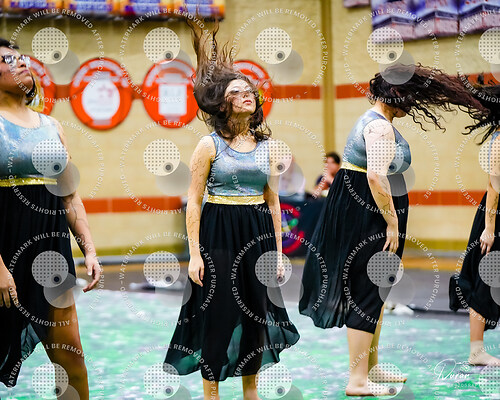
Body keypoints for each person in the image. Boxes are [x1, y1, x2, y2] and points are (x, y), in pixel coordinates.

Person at [298, 65, 486, 396]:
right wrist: (392, 223)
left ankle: (370, 367)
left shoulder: (377, 122)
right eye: (409, 97)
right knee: (367, 290)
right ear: (395, 94)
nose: (412, 105)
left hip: (366, 210)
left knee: (376, 292)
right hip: (368, 214)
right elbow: (375, 177)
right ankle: (357, 380)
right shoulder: (380, 128)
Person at [164, 23, 299, 400]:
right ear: (222, 105)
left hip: (257, 230)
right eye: (235, 92)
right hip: (219, 231)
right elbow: (194, 200)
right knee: (219, 313)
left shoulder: (268, 146)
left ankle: (250, 393)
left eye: (248, 90)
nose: (245, 95)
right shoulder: (207, 146)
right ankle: (212, 395)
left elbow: (273, 200)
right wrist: (194, 254)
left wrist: (278, 251)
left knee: (256, 314)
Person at [0, 40, 101, 399]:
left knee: (72, 362)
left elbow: (69, 195)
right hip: (4, 253)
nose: (20, 63)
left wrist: (89, 249)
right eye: (7, 59)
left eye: (21, 58)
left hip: (51, 258)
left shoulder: (51, 125)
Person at [450, 77, 500, 366]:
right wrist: (489, 229)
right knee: (485, 278)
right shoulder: (499, 140)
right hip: (494, 217)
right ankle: (476, 351)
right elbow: (494, 186)